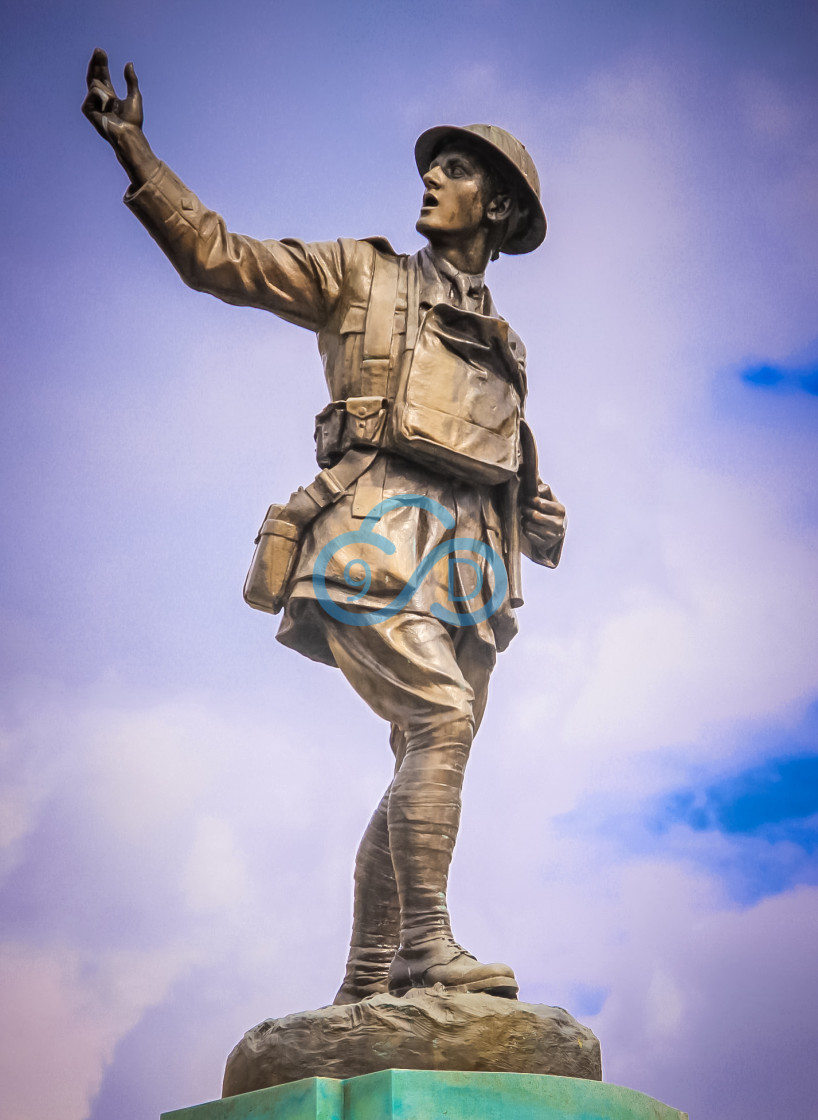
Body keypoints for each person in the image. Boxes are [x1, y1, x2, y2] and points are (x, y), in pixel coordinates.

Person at [82, 49, 567, 1004]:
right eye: (436, 165)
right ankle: (425, 946)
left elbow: (506, 456)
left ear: (499, 209)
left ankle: (364, 984)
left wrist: (539, 519)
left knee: (424, 756)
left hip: (468, 572)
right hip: (368, 535)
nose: (432, 177)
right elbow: (220, 258)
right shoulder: (361, 276)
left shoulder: (507, 345)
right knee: (440, 718)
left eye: (460, 170)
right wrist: (135, 151)